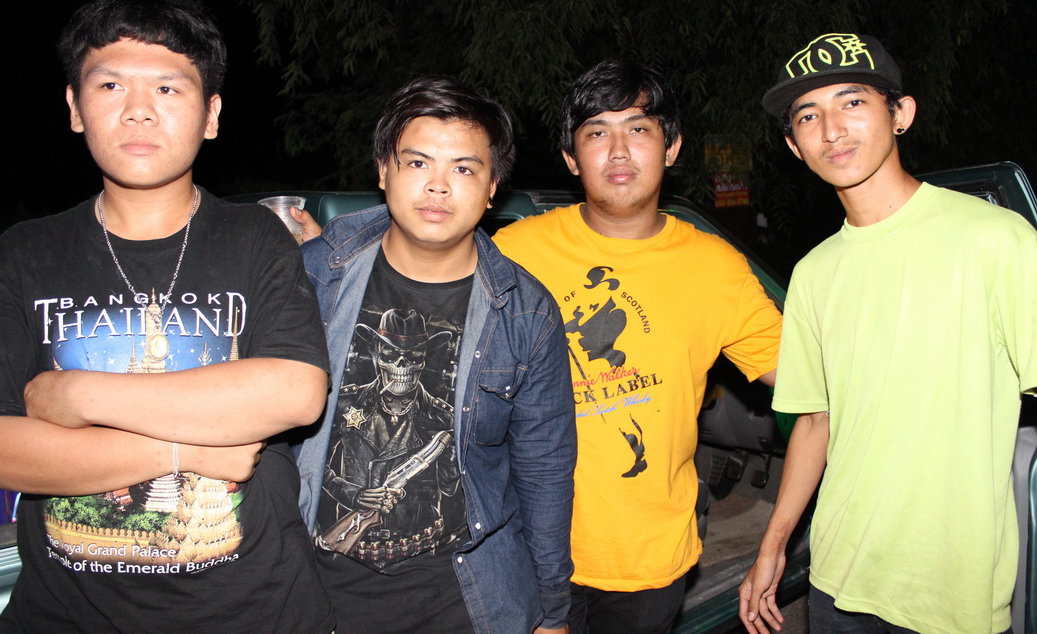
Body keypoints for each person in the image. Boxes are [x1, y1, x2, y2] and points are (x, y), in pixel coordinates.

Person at [0, 0, 333, 632]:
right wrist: (188, 450)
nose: (138, 111)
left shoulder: (254, 238)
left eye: (167, 88)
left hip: (255, 612)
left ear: (211, 114)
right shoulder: (24, 251)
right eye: (110, 86)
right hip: (65, 614)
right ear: (74, 107)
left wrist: (77, 394)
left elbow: (294, 392)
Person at [739, 32, 1037, 634]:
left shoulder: (996, 239)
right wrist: (773, 545)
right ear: (795, 146)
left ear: (901, 114)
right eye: (808, 116)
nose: (832, 129)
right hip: (836, 582)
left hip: (951, 591)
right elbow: (815, 422)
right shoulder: (814, 272)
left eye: (853, 102)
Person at [492, 58, 781, 634]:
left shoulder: (715, 267)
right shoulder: (512, 251)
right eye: (597, 132)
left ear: (671, 148)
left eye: (638, 129)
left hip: (649, 557)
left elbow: (812, 378)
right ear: (572, 158)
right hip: (524, 546)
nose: (619, 151)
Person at [293, 76, 576, 633]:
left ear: (492, 187)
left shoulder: (526, 313)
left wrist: (552, 611)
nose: (438, 187)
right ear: (383, 170)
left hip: (464, 598)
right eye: (418, 163)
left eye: (464, 169)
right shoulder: (316, 274)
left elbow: (544, 471)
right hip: (314, 588)